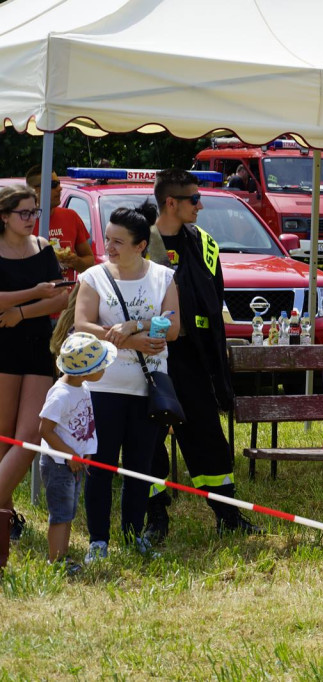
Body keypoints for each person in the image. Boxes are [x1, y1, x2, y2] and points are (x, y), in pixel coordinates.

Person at [144, 169, 261, 538]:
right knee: (148, 438)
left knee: (207, 435)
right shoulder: (141, 241)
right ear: (171, 202)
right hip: (151, 355)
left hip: (194, 356)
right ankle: (156, 517)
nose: (201, 204)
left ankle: (227, 515)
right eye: (194, 199)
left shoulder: (205, 243)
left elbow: (215, 299)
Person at [74, 204, 180, 562]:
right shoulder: (93, 277)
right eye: (107, 239)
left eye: (118, 241)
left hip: (147, 388)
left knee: (140, 467)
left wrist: (133, 325)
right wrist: (130, 340)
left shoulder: (163, 277)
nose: (110, 247)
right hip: (103, 386)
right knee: (101, 466)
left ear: (140, 245)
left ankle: (135, 536)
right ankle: (98, 541)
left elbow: (174, 327)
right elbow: (82, 325)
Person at [0, 184, 68, 563]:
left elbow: (60, 296)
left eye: (34, 212)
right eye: (23, 213)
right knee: (4, 437)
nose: (30, 219)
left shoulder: (43, 246)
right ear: (4, 217)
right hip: (3, 349)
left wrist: (22, 312)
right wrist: (32, 294)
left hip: (37, 343)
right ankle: (6, 522)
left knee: (27, 437)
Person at [39, 332, 117, 574]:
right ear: (85, 371)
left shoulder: (81, 387)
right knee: (60, 514)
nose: (104, 370)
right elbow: (45, 429)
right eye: (101, 367)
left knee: (69, 511)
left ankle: (63, 558)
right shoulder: (60, 395)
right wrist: (70, 454)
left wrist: (84, 452)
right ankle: (56, 562)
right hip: (59, 464)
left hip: (74, 463)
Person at [25, 166, 95, 280]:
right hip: (35, 295)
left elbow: (90, 261)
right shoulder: (21, 221)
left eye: (59, 183)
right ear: (35, 190)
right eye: (53, 185)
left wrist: (76, 261)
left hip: (67, 295)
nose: (60, 188)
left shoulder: (71, 216)